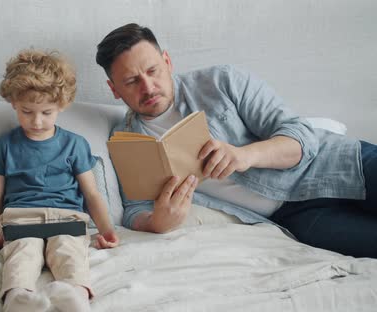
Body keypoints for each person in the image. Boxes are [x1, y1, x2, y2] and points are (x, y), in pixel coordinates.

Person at [95, 23, 376, 258]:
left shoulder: (222, 82)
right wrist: (156, 221)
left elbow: (300, 135)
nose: (148, 87)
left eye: (153, 70)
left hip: (340, 163)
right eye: (131, 81)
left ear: (167, 62)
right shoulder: (124, 140)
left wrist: (245, 156)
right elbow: (134, 209)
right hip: (297, 218)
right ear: (114, 89)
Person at [0, 49, 119, 312]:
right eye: (27, 111)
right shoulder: (4, 146)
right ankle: (18, 298)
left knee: (71, 256)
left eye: (46, 112)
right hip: (21, 219)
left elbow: (92, 195)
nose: (37, 121)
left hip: (67, 219)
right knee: (21, 257)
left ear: (62, 105)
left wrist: (107, 229)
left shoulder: (75, 144)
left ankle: (74, 297)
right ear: (13, 103)